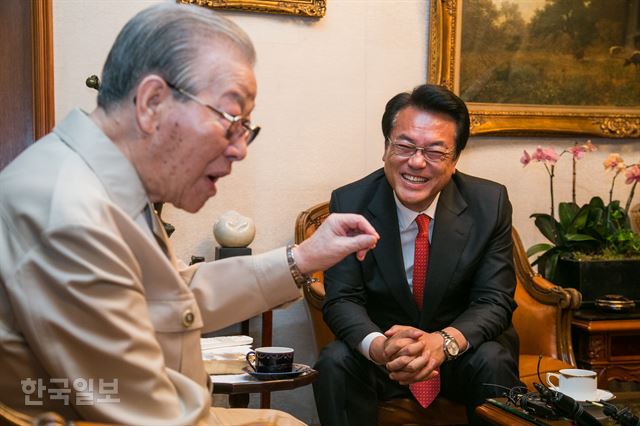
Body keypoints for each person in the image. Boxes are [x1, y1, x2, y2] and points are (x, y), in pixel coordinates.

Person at [0, 4, 379, 425]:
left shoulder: (100, 184)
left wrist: (303, 258)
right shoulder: (70, 214)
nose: (240, 149)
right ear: (152, 101)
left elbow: (173, 295)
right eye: (232, 120)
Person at [313, 84, 522, 425]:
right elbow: (342, 299)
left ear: (454, 161)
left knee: (494, 357)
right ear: (385, 148)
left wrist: (443, 343)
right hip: (387, 359)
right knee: (335, 360)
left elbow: (494, 300)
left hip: (458, 355)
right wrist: (380, 347)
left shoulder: (490, 204)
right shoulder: (351, 204)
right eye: (405, 145)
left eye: (436, 152)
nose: (416, 162)